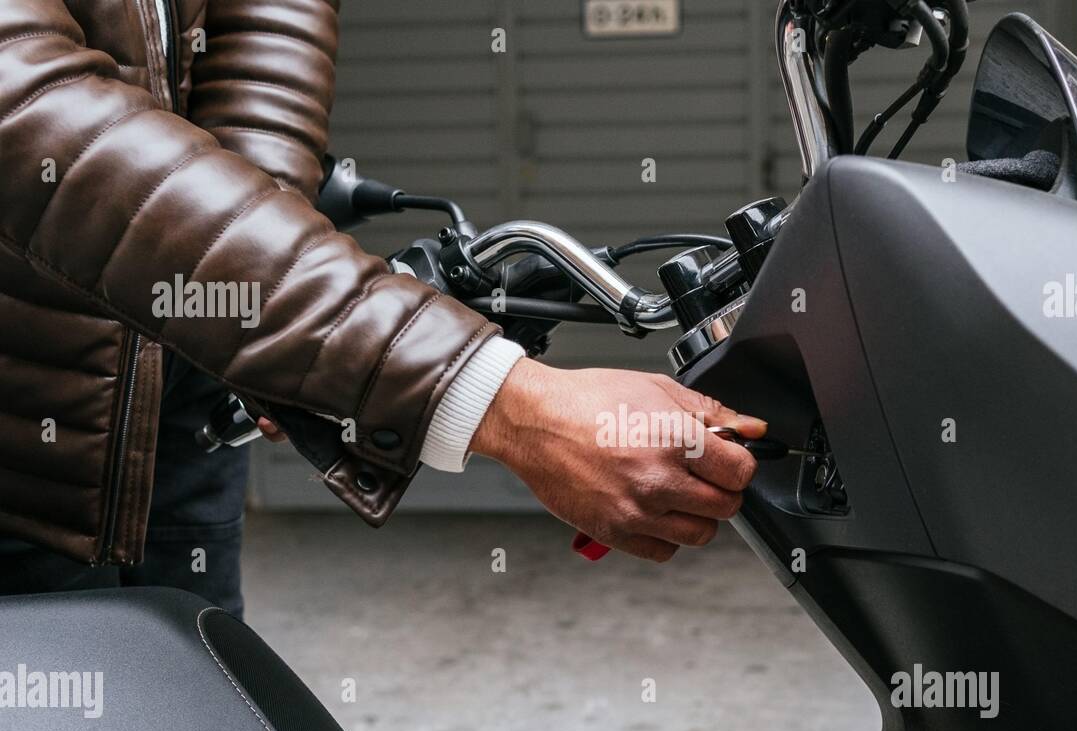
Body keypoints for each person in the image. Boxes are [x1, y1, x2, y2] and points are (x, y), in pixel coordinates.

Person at [0, 0, 765, 618]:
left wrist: (263, 312)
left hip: (184, 393)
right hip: (23, 426)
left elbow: (266, 37)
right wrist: (507, 402)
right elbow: (29, 112)